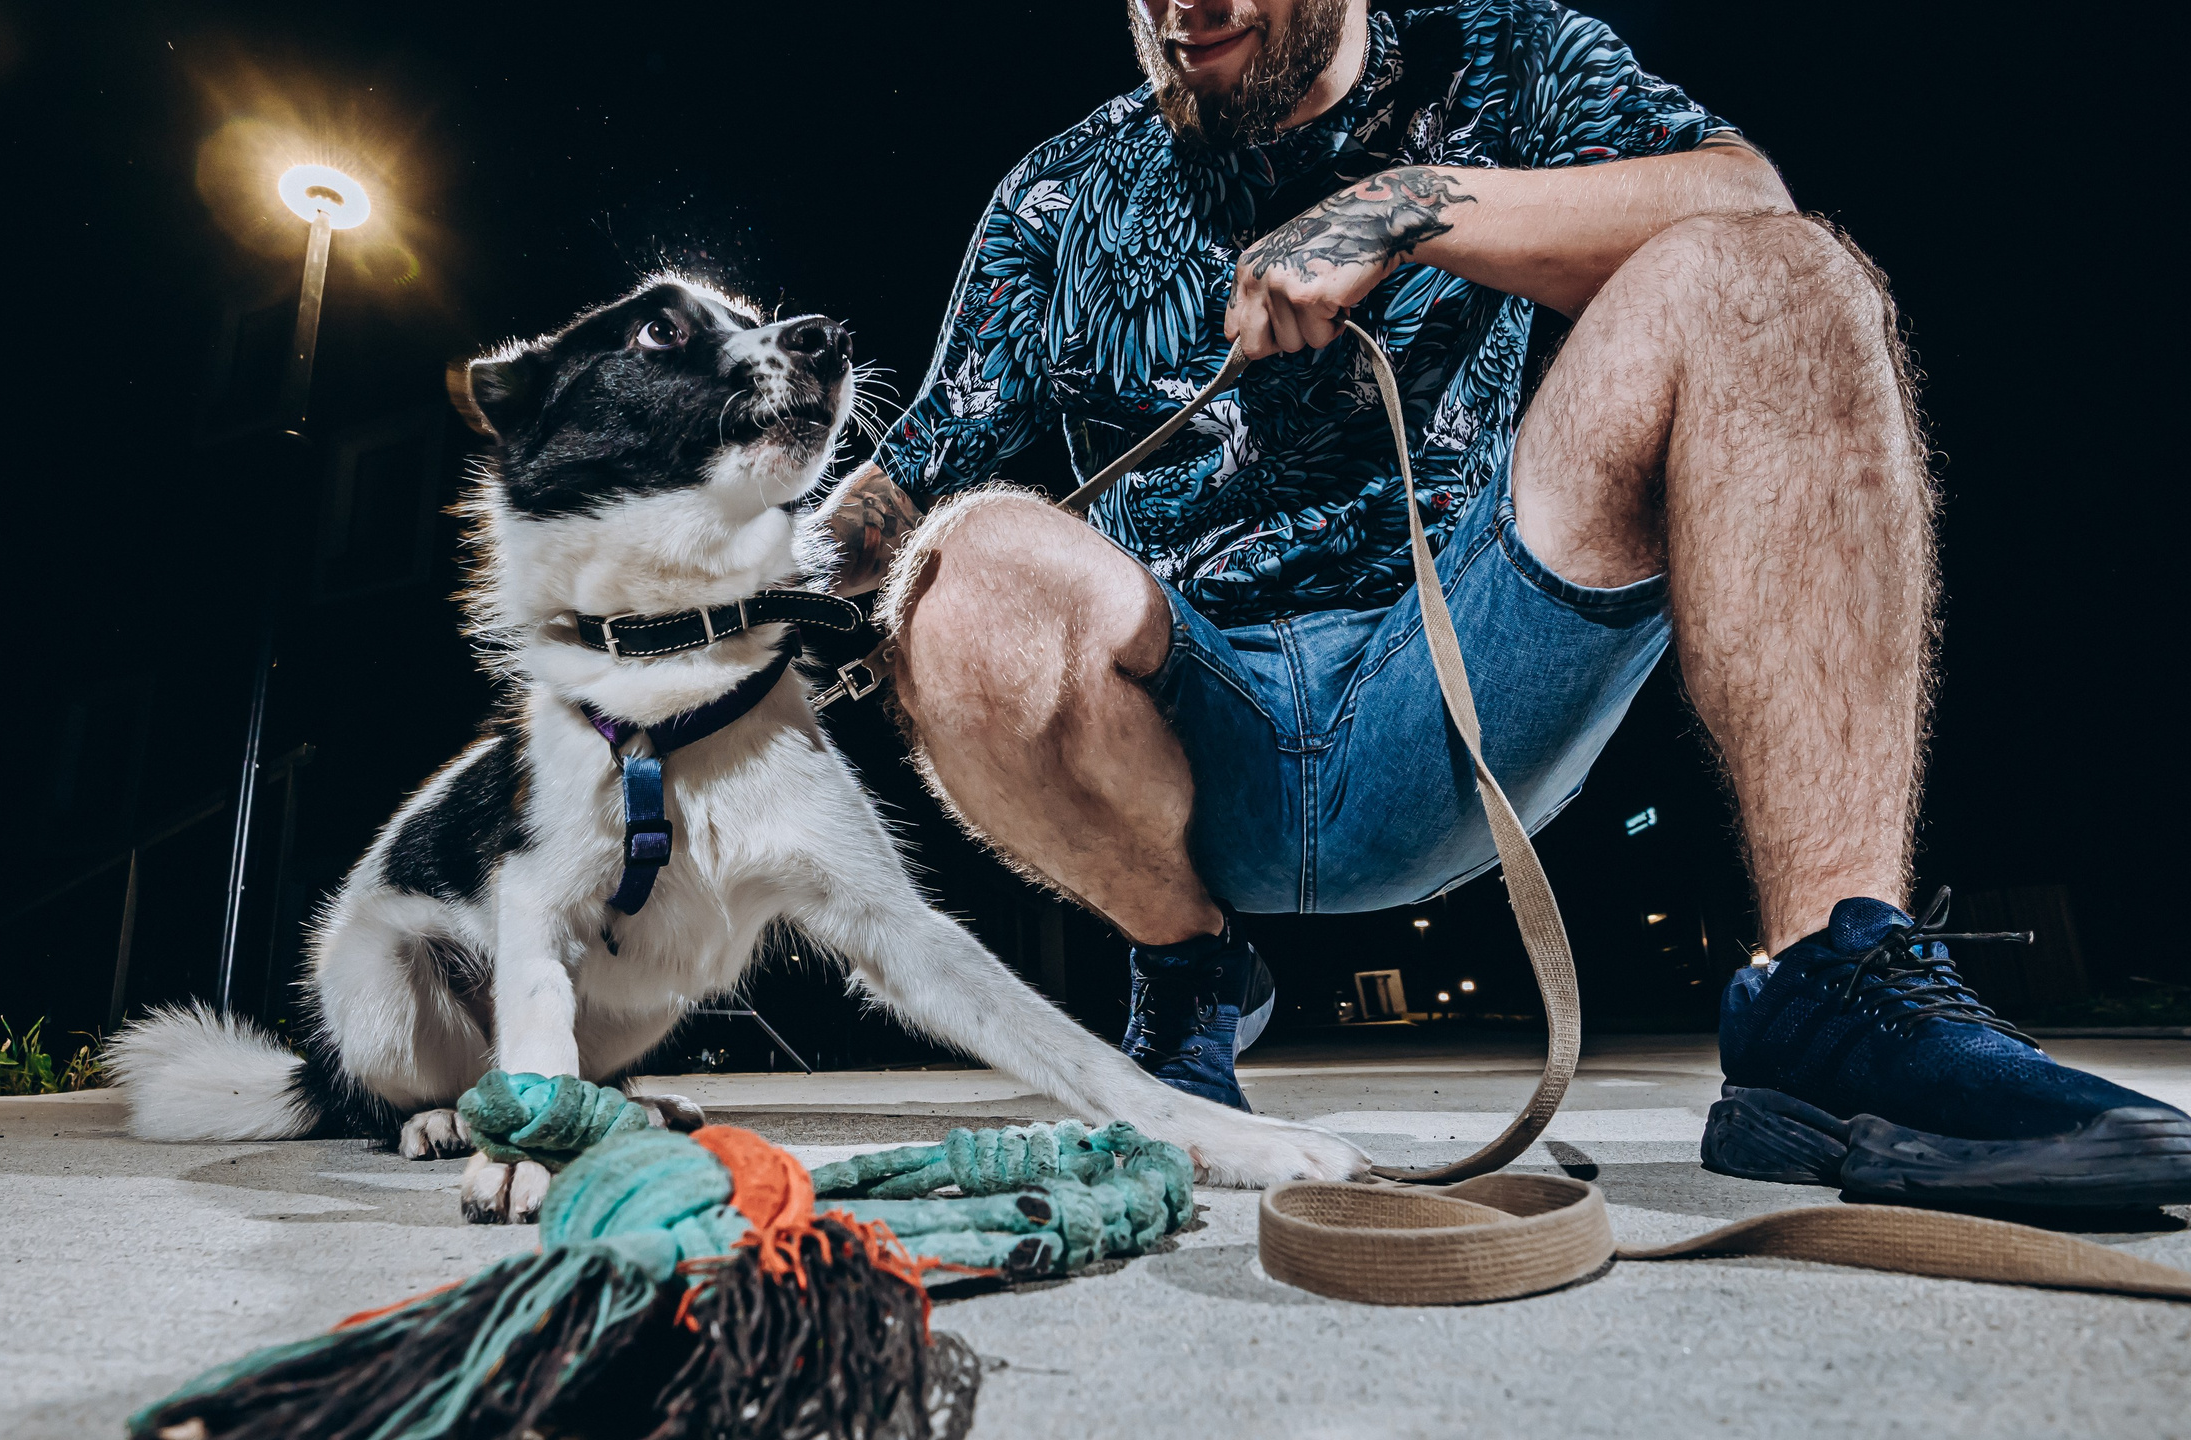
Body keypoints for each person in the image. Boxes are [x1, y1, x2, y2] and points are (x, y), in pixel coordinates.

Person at [813, 0, 2189, 1204]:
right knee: (958, 563)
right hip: (1180, 743)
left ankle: (1833, 998)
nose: (1191, 3)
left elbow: (1743, 193)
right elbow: (920, 459)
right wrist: (698, 601)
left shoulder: (1507, 60)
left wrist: (1405, 210)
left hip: (1453, 684)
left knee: (1777, 280)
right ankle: (1184, 985)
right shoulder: (1058, 195)